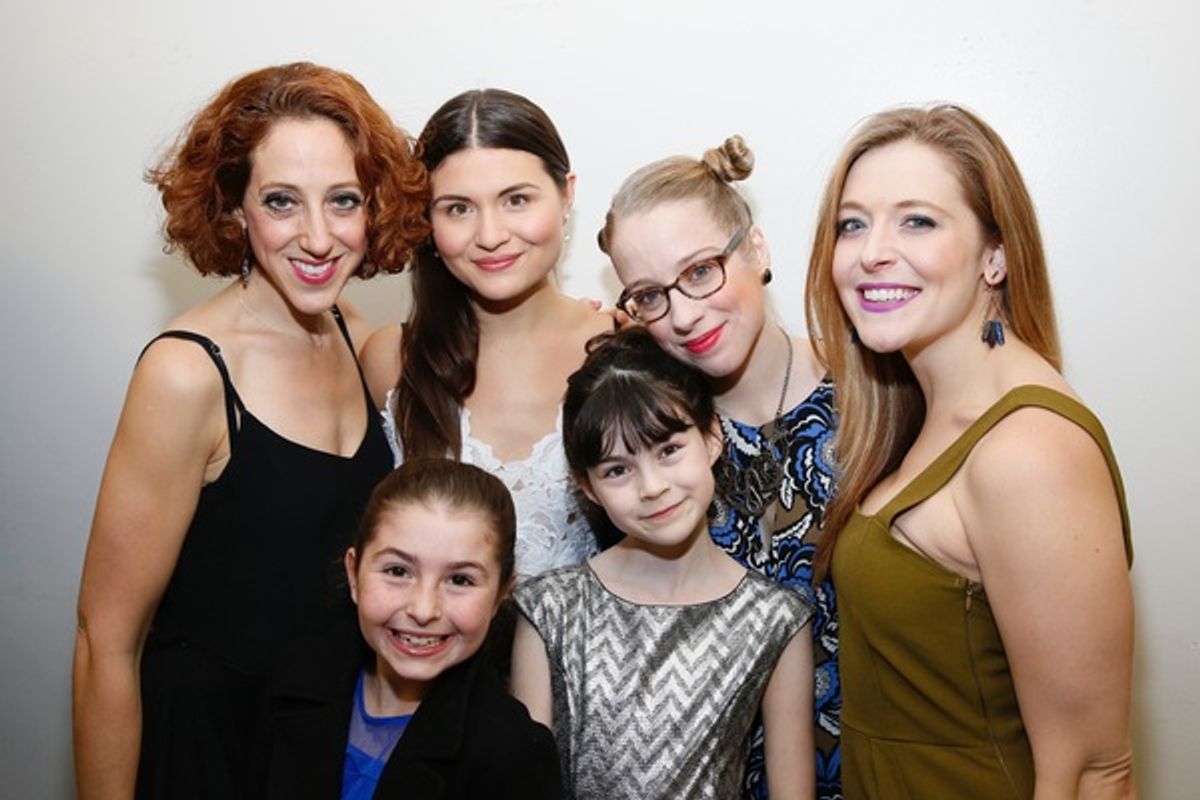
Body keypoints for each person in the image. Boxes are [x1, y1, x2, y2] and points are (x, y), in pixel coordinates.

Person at [72, 62, 429, 800]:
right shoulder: (187, 373)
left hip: (316, 742)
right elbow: (105, 643)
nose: (319, 237)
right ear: (234, 207)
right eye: (281, 202)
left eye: (343, 201)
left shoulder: (346, 329)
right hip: (207, 754)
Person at [806, 104, 1135, 798]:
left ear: (996, 255)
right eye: (853, 224)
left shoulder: (1028, 451)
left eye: (916, 220)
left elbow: (1095, 774)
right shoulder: (919, 411)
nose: (872, 252)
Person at [597, 136, 839, 799]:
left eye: (701, 271)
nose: (683, 314)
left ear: (755, 250)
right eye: (649, 295)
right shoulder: (655, 449)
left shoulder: (876, 398)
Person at [511, 327, 815, 799]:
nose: (651, 486)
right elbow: (525, 786)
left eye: (669, 450)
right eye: (617, 469)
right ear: (587, 487)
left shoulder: (776, 618)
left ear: (712, 438)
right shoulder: (550, 609)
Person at [362, 88, 612, 579]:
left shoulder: (620, 348)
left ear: (567, 194)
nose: (491, 234)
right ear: (427, 220)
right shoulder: (391, 359)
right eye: (458, 208)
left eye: (516, 199)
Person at [261, 458, 562, 799]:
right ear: (354, 574)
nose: (423, 610)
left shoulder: (513, 753)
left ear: (500, 596)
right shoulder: (291, 681)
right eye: (398, 571)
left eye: (460, 580)